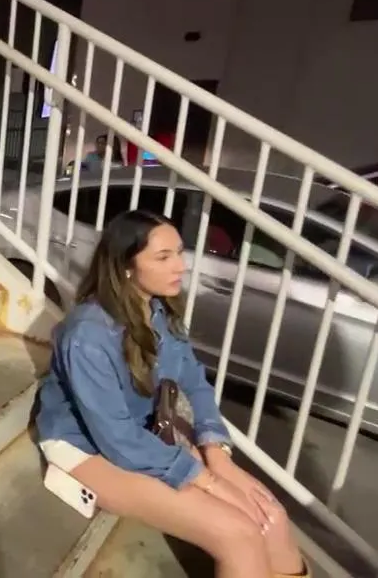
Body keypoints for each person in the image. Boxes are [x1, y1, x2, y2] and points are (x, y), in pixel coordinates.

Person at [33, 209, 307, 577]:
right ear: (125, 266)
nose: (180, 265)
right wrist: (206, 480)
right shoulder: (87, 335)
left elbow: (195, 381)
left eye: (179, 252)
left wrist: (216, 451)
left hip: (141, 432)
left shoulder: (158, 310)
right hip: (85, 445)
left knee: (271, 516)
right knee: (238, 533)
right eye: (163, 257)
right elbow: (117, 440)